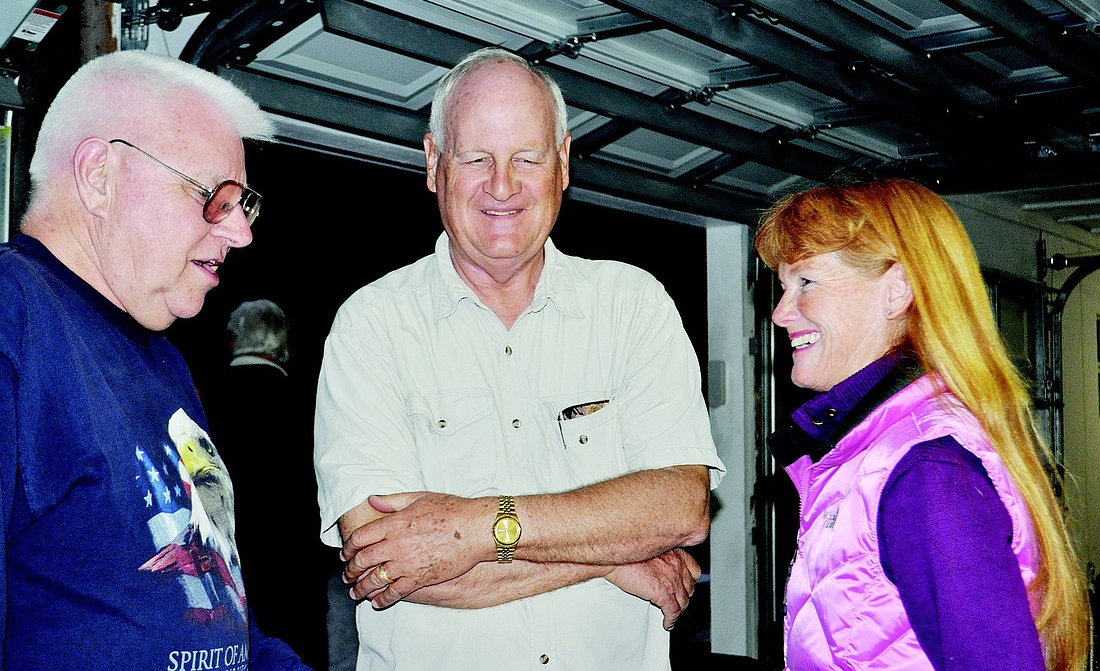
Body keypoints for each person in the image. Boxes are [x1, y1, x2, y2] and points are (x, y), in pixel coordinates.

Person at [313, 47, 726, 670]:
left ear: (561, 164)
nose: (501, 186)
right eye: (476, 158)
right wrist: (615, 553)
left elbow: (680, 507)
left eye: (526, 159)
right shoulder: (371, 327)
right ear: (433, 164)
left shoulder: (634, 306)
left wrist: (479, 529)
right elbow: (390, 567)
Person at [0, 50, 312, 669]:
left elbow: (223, 622)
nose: (241, 233)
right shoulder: (15, 318)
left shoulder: (164, 362)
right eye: (212, 196)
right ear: (98, 175)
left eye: (241, 204)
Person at [754, 177, 1091, 670]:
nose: (780, 313)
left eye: (806, 282)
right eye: (783, 287)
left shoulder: (925, 470)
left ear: (898, 290)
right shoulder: (880, 451)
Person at [204, 299, 332, 669]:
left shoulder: (200, 399)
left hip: (227, 574)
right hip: (296, 575)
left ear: (232, 342)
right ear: (282, 346)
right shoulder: (314, 404)